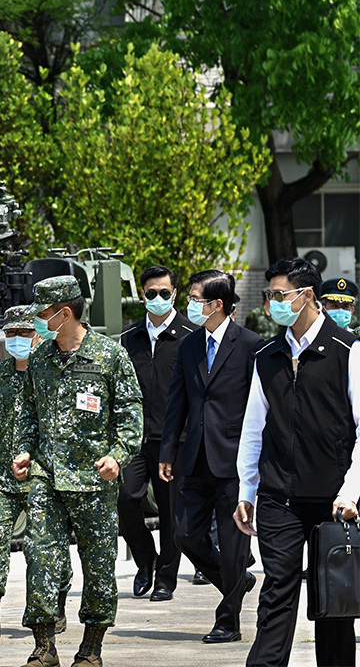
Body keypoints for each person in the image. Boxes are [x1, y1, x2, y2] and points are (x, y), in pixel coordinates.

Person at [234, 257, 359, 667]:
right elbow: (254, 428)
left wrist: (351, 491)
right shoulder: (267, 354)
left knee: (334, 603)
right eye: (269, 295)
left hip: (333, 504)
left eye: (278, 294)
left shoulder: (348, 351)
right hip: (279, 499)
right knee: (276, 597)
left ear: (306, 296)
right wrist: (246, 491)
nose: (271, 303)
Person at [12, 275, 142, 667]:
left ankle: (91, 647)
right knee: (40, 558)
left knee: (99, 565)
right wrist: (23, 451)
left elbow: (132, 418)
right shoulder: (39, 358)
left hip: (93, 483)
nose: (37, 320)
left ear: (64, 314)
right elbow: (28, 414)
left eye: (43, 313)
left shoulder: (110, 355)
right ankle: (44, 645)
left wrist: (118, 456)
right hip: (46, 479)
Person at [159, 269, 261, 644]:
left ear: (217, 304)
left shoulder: (251, 345)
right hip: (195, 457)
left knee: (235, 545)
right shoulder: (188, 345)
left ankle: (228, 621)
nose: (190, 305)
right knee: (185, 534)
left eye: (196, 299)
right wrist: (168, 449)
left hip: (235, 462)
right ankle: (236, 581)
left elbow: (260, 408)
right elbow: (178, 400)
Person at [0, 305, 71, 639]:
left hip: (43, 476)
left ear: (38, 334)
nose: (17, 340)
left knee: (46, 546)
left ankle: (56, 606)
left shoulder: (53, 373)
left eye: (24, 333)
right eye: (11, 334)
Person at [117, 265, 196, 602]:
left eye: (165, 293)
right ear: (142, 295)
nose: (159, 298)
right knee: (125, 500)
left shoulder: (191, 336)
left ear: (175, 294)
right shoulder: (128, 338)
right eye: (152, 293)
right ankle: (145, 559)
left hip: (173, 439)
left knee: (170, 512)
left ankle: (166, 578)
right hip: (135, 439)